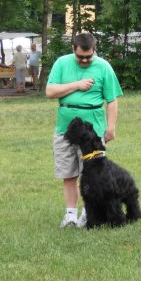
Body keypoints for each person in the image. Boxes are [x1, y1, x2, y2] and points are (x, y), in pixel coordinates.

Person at [46, 33, 123, 228]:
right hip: (65, 128)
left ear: (94, 50)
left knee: (93, 175)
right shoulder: (62, 63)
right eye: (81, 57)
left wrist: (111, 127)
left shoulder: (104, 66)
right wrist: (77, 85)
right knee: (68, 172)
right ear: (73, 49)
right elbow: (50, 92)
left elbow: (112, 100)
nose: (85, 60)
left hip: (93, 131)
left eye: (89, 57)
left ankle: (88, 214)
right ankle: (70, 215)